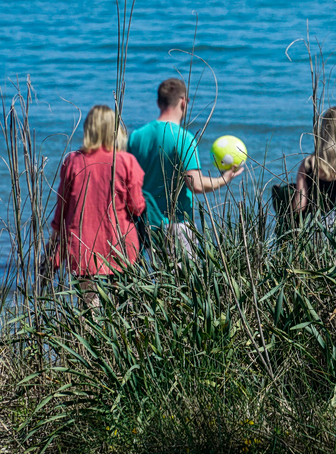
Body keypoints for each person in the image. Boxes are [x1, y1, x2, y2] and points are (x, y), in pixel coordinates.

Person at [127, 78, 242, 259]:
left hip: (143, 223)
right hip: (175, 224)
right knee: (181, 284)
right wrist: (224, 179)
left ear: (158, 102)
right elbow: (195, 185)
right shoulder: (184, 138)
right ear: (183, 101)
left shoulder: (135, 137)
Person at [48, 104, 145, 309]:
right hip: (120, 242)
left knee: (88, 307)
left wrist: (54, 245)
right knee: (121, 306)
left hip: (82, 243)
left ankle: (90, 339)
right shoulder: (126, 161)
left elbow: (61, 209)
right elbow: (136, 207)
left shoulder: (73, 161)